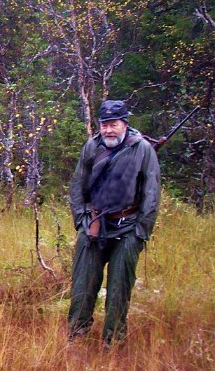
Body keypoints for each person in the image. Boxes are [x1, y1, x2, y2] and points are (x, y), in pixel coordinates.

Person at [68, 99, 161, 346]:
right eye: (104, 124)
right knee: (82, 285)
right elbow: (78, 185)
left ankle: (113, 342)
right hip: (95, 226)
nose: (108, 130)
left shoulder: (142, 149)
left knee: (119, 289)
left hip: (129, 227)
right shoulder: (92, 147)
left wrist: (141, 232)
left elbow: (152, 192)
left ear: (124, 124)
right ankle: (76, 338)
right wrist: (81, 221)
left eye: (114, 124)